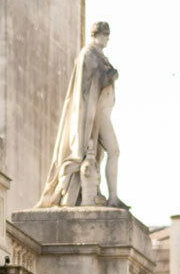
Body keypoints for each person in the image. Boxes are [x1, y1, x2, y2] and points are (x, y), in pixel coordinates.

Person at [35, 21, 124, 209]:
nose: (107, 39)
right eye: (105, 34)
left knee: (109, 153)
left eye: (108, 35)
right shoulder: (88, 55)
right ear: (96, 34)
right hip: (94, 115)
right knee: (114, 150)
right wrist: (109, 76)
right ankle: (113, 197)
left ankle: (112, 196)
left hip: (101, 113)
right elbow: (86, 87)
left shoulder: (98, 55)